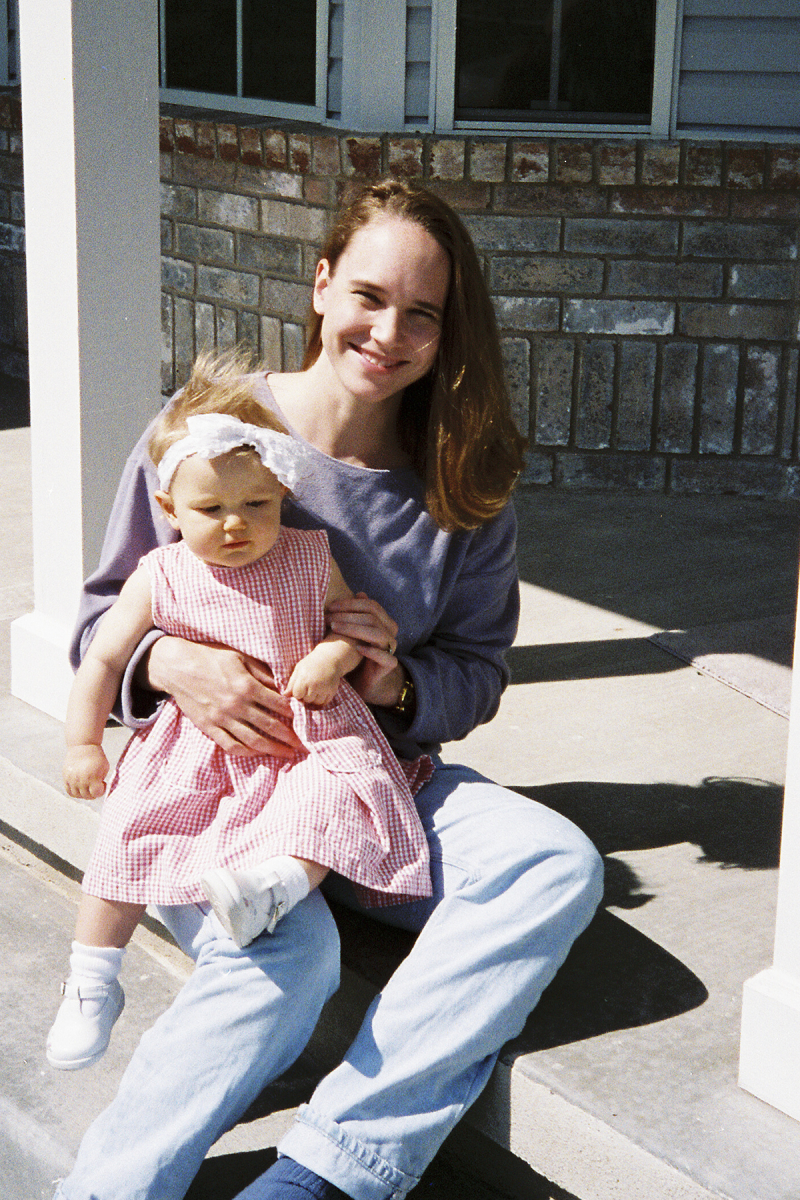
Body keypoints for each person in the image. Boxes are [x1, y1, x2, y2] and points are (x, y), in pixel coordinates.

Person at [54, 178, 604, 1200]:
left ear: (448, 331)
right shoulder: (206, 431)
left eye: (422, 313)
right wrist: (167, 664)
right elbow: (102, 617)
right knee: (286, 958)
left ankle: (328, 1173)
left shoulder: (460, 483)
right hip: (213, 796)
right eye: (367, 294)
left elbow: (476, 672)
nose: (387, 331)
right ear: (318, 285)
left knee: (552, 864)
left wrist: (396, 684)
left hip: (371, 780)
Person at [46, 356, 433, 1072]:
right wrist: (82, 745)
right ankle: (93, 975)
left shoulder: (310, 557)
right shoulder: (159, 574)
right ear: (169, 510)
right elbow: (102, 659)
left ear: (281, 491)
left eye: (256, 505)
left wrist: (334, 657)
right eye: (211, 510)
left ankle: (278, 883)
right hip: (194, 747)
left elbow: (355, 627)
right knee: (130, 830)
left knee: (333, 798)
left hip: (299, 741)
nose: (235, 526)